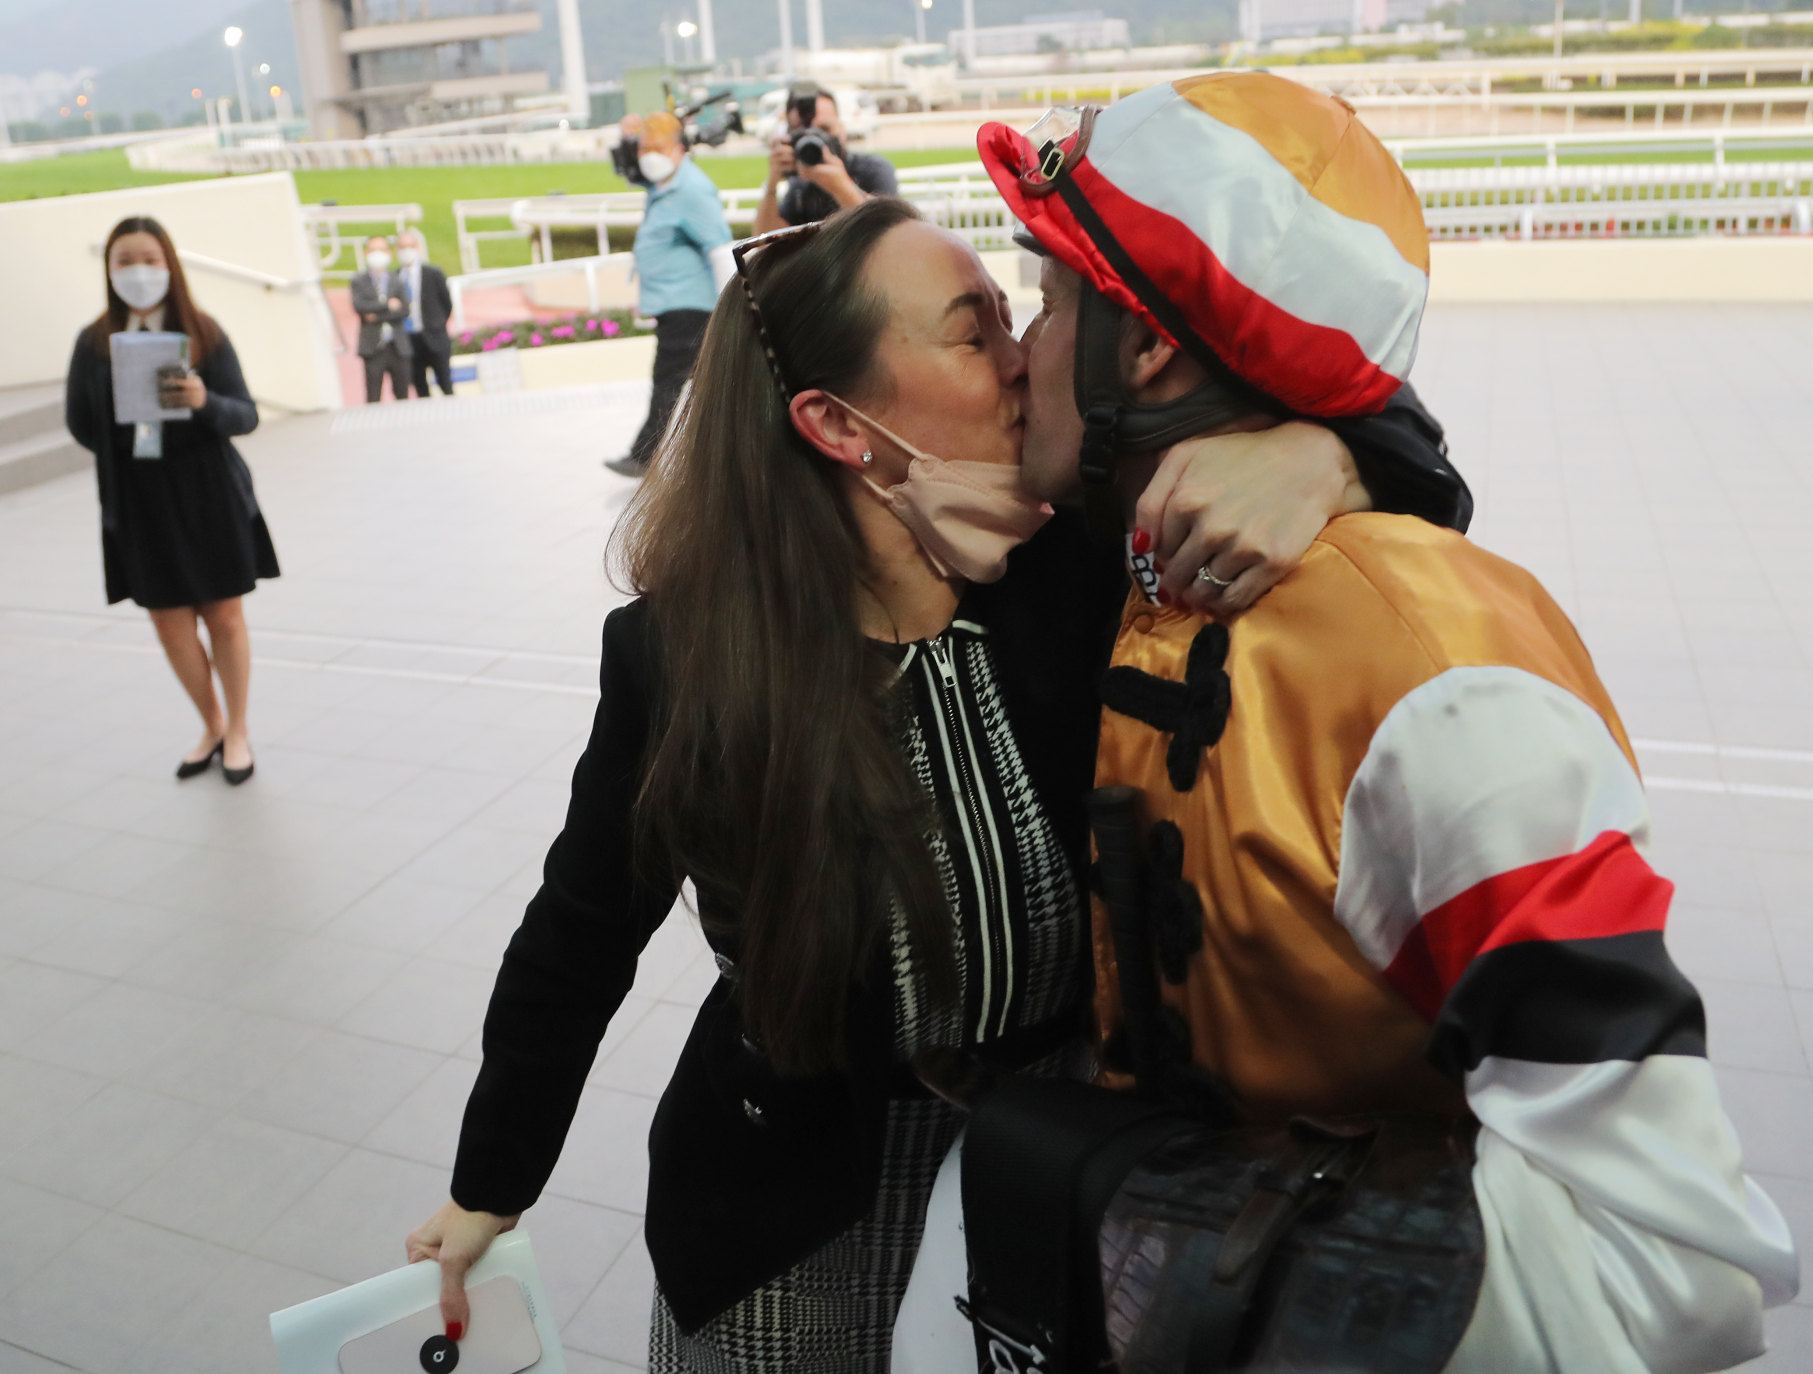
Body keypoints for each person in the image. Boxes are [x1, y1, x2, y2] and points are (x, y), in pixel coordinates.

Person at [403, 198, 1470, 1370]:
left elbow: (1424, 507)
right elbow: (580, 933)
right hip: (795, 1194)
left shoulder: (1087, 569)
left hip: (1054, 1161)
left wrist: (1328, 455)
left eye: (1016, 319)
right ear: (836, 421)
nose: (1026, 361)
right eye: (973, 334)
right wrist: (487, 1187)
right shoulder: (685, 657)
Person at [902, 76, 1799, 1372]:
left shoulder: (1442, 677)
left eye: (1044, 302)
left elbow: (1672, 1268)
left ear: (1144, 351)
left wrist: (1179, 1248)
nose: (1020, 354)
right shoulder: (1118, 565)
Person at [64, 215, 276, 784]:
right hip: (139, 500)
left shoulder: (204, 331)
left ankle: (239, 730)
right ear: (109, 270)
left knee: (224, 615)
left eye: (149, 259)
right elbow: (79, 424)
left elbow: (246, 415)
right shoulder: (93, 342)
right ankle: (210, 724)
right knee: (169, 620)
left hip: (207, 492)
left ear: (170, 264)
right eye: (124, 260)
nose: (138, 271)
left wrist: (203, 400)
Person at [604, 110, 735, 479]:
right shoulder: (663, 184)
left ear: (680, 149)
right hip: (674, 304)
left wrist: (733, 305)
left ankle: (646, 454)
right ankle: (665, 455)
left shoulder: (692, 189)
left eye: (656, 148)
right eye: (643, 148)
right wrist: (625, 136)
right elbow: (627, 170)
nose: (648, 155)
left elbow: (719, 248)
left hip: (690, 306)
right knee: (690, 382)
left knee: (670, 379)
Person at [751, 83, 898, 235]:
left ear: (841, 130)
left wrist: (842, 187)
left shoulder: (874, 170)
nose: (813, 140)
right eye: (801, 132)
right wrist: (771, 185)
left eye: (824, 130)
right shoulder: (800, 184)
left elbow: (887, 236)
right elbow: (766, 242)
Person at [351, 235, 412, 403]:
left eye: (381, 250)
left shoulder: (397, 279)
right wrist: (387, 305)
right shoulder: (359, 280)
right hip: (373, 347)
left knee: (402, 395)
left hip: (397, 346)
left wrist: (376, 314)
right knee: (373, 395)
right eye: (373, 250)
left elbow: (404, 309)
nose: (377, 254)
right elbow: (360, 307)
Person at [395, 228, 455, 398]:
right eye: (402, 247)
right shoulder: (395, 276)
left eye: (410, 245)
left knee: (446, 384)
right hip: (410, 340)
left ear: (417, 246)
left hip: (435, 337)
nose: (406, 251)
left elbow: (446, 304)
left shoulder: (433, 273)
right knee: (420, 388)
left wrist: (437, 324)